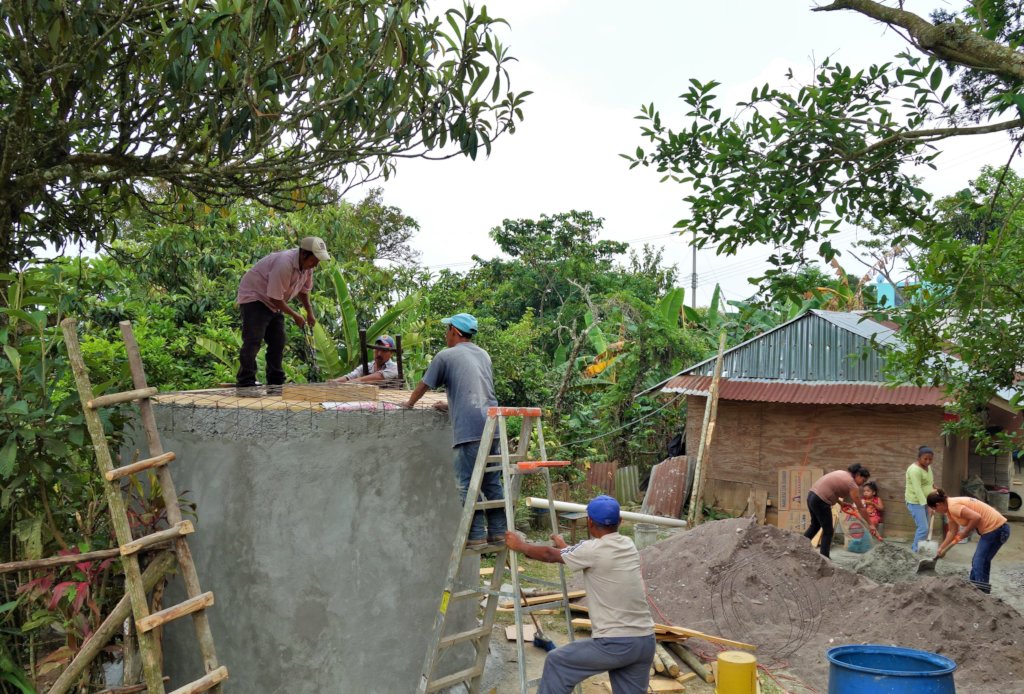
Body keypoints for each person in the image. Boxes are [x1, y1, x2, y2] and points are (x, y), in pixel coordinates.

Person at [504, 496, 655, 694]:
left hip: (616, 643)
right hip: (645, 642)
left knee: (558, 662)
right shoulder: (628, 544)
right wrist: (564, 545)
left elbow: (550, 555)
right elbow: (585, 555)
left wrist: (520, 546)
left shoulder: (592, 549)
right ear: (620, 522)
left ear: (590, 522)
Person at [401, 313, 506, 547]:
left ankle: (477, 534)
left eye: (447, 329)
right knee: (491, 482)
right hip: (491, 426)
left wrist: (408, 404)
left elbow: (424, 385)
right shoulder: (484, 355)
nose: (445, 334)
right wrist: (450, 405)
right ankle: (499, 532)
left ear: (455, 331)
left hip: (468, 431)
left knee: (467, 484)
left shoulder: (445, 356)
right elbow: (476, 392)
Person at [235, 237, 330, 391]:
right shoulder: (284, 264)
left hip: (274, 303)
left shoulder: (308, 268)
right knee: (253, 340)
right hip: (255, 297)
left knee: (278, 341)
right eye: (315, 259)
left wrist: (309, 312)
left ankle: (276, 382)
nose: (316, 264)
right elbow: (274, 296)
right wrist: (295, 315)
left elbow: (304, 291)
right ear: (304, 254)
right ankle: (246, 381)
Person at [928, 489, 1009, 594]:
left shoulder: (953, 506)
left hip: (996, 529)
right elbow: (952, 531)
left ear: (938, 505)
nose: (936, 512)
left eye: (934, 509)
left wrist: (965, 532)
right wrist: (942, 548)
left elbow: (976, 517)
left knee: (979, 561)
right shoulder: (949, 510)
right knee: (980, 560)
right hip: (994, 530)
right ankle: (973, 590)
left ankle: (980, 594)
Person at [804, 463, 882, 558]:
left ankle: (798, 546)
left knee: (815, 525)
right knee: (828, 531)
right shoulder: (852, 484)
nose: (862, 483)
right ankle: (825, 558)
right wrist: (870, 524)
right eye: (863, 480)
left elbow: (830, 489)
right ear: (857, 475)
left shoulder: (842, 473)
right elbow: (861, 507)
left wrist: (841, 503)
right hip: (821, 501)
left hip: (811, 496)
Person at [905, 445, 936, 552]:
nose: (928, 461)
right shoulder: (914, 470)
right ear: (918, 458)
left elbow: (930, 483)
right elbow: (917, 489)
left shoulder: (928, 467)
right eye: (925, 459)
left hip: (927, 500)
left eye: (930, 459)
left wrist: (933, 497)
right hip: (916, 502)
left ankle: (917, 549)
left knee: (925, 528)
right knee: (923, 528)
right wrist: (927, 506)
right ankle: (915, 552)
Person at [332, 335, 399, 384]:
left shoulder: (395, 368)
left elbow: (379, 376)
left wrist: (352, 382)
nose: (379, 354)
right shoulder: (368, 366)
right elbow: (350, 376)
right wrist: (334, 382)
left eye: (384, 351)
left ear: (391, 353)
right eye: (377, 349)